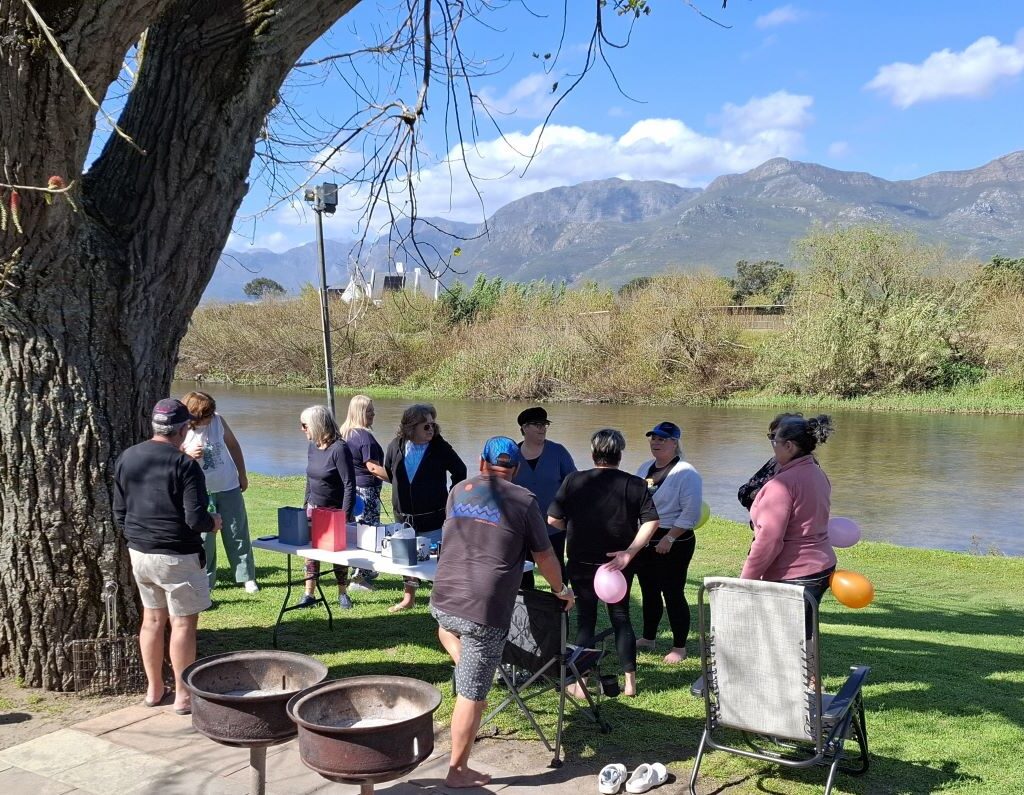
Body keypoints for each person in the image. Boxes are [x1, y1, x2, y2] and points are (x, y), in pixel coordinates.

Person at [430, 437, 574, 789]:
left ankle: (473, 668)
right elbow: (544, 556)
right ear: (517, 469)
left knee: (446, 629)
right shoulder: (524, 500)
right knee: (472, 693)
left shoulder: (459, 490)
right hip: (484, 608)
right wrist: (561, 590)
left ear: (481, 462)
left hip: (443, 597)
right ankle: (457, 770)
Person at [113, 399, 222, 715]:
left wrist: (138, 536)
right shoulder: (185, 465)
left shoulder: (128, 457)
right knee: (183, 624)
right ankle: (183, 696)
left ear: (155, 426)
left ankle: (154, 688)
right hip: (177, 555)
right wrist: (213, 523)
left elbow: (120, 512)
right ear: (184, 428)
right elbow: (196, 519)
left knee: (152, 620)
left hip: (140, 552)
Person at [548, 429, 660, 698]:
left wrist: (574, 525)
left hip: (582, 561)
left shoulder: (574, 481)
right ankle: (631, 684)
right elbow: (652, 521)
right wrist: (629, 553)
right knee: (621, 618)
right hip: (618, 565)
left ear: (593, 454)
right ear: (620, 455)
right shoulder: (635, 484)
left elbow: (553, 519)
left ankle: (581, 683)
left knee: (586, 619)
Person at [741, 415, 837, 607]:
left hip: (794, 572)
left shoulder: (781, 484)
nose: (773, 446)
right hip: (821, 566)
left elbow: (769, 540)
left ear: (789, 446)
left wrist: (745, 581)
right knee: (805, 633)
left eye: (775, 440)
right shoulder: (817, 473)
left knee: (784, 635)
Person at [382, 404, 467, 612]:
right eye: (426, 426)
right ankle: (408, 599)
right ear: (411, 427)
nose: (431, 430)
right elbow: (389, 472)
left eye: (433, 425)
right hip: (403, 518)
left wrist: (450, 499)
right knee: (406, 561)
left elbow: (460, 470)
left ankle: (442, 603)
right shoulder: (396, 445)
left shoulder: (439, 447)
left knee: (438, 562)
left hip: (434, 517)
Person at [632, 421, 702, 664]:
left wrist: (670, 538)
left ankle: (679, 646)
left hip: (675, 540)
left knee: (673, 593)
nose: (656, 442)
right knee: (649, 591)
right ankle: (649, 637)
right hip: (646, 538)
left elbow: (690, 513)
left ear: (675, 443)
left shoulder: (686, 472)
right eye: (653, 438)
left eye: (662, 439)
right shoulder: (644, 468)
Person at [180, 391, 258, 594]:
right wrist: (186, 454)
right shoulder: (180, 429)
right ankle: (206, 581)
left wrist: (242, 474)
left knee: (236, 532)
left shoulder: (218, 420)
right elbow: (169, 458)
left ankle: (246, 577)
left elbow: (233, 445)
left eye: (211, 413)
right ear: (193, 415)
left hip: (228, 485)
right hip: (198, 491)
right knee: (205, 538)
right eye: (206, 414)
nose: (210, 417)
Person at [298, 405, 357, 609]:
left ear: (316, 424)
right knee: (310, 552)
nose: (302, 429)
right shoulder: (313, 447)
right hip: (313, 507)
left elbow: (350, 484)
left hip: (334, 512)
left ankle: (342, 593)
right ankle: (309, 594)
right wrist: (306, 504)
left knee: (336, 554)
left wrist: (345, 515)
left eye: (304, 425)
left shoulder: (339, 449)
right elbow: (309, 477)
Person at [511, 406, 576, 587]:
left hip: (552, 526)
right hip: (520, 527)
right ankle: (525, 612)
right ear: (524, 428)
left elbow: (573, 484)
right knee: (522, 573)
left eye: (545, 424)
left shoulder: (558, 452)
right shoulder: (512, 453)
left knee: (557, 572)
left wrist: (569, 516)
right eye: (537, 424)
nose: (542, 428)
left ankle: (562, 609)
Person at [339, 394, 388, 591]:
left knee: (356, 531)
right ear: (360, 412)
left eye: (373, 410)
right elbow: (373, 468)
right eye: (369, 410)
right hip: (367, 491)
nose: (373, 414)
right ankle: (359, 579)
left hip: (351, 491)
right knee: (369, 533)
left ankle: (361, 571)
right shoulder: (365, 437)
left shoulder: (344, 433)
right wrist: (398, 480)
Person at [737, 413, 804, 512]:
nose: (773, 441)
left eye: (775, 437)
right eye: (771, 436)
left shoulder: (807, 468)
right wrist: (757, 493)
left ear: (790, 442)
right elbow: (743, 492)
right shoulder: (774, 461)